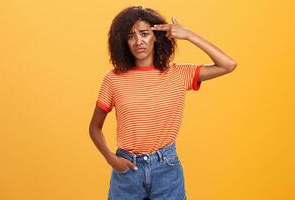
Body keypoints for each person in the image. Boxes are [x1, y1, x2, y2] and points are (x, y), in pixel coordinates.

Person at [89, 6, 237, 200]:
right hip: (127, 170)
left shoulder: (178, 74)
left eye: (144, 34)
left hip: (166, 168)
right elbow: (94, 128)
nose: (138, 41)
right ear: (123, 42)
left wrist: (189, 35)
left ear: (156, 37)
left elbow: (228, 65)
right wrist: (111, 159)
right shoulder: (113, 79)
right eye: (131, 36)